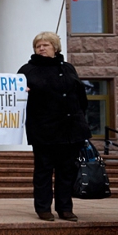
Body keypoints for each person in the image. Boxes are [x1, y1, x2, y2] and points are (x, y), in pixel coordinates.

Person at [18, 32, 90, 222]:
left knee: (67, 171)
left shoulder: (68, 68)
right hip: (43, 130)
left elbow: (81, 98)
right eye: (38, 46)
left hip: (70, 129)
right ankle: (43, 208)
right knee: (43, 171)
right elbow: (14, 97)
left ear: (55, 48)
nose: (41, 48)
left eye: (45, 45)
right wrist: (22, 92)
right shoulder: (28, 70)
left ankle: (65, 208)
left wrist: (79, 119)